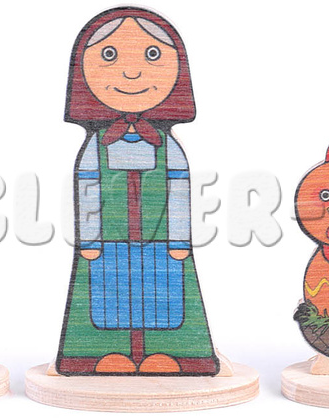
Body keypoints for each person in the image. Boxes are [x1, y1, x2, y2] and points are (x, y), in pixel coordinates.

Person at [55, 7, 219, 376]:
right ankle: (105, 353)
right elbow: (88, 190)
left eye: (152, 54)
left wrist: (179, 239)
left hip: (162, 243)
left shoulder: (170, 148)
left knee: (165, 294)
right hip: (106, 245)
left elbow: (179, 192)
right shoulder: (94, 148)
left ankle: (167, 353)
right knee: (106, 294)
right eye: (109, 55)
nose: (131, 72)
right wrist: (90, 239)